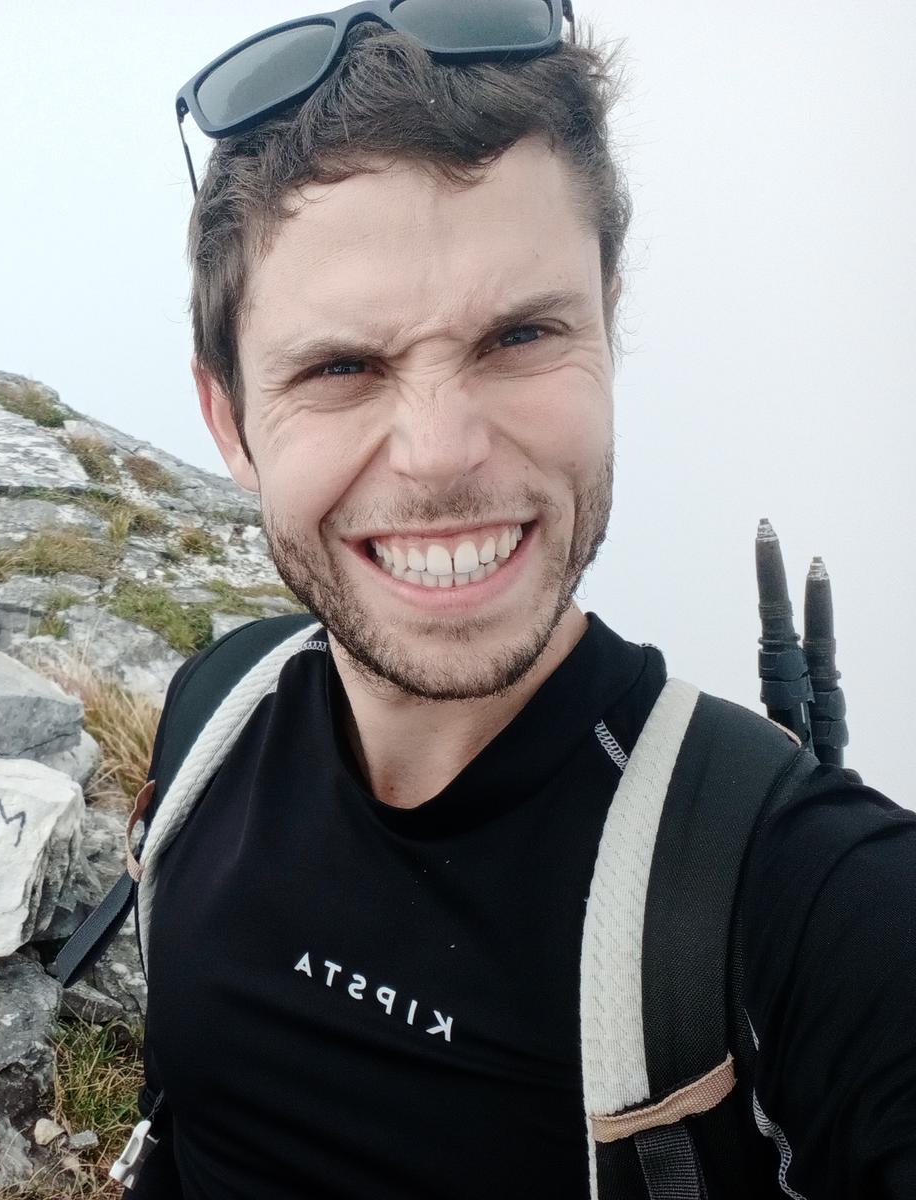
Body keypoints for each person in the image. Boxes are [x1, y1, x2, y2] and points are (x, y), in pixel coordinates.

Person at [128, 4, 916, 1197]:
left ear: (607, 331)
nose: (440, 454)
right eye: (341, 367)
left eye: (520, 336)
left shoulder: (813, 909)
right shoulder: (213, 716)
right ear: (229, 422)